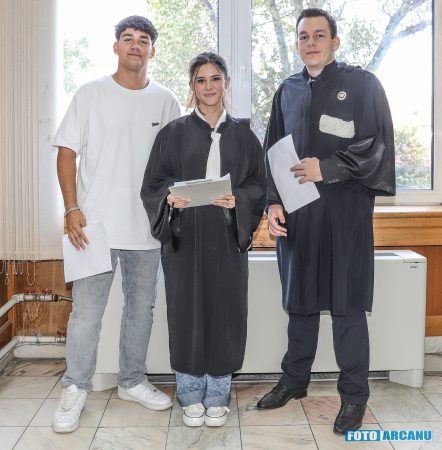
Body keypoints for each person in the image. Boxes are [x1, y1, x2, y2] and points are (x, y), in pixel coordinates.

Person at [256, 8, 395, 434]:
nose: (311, 42)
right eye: (303, 36)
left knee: (346, 306)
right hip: (299, 216)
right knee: (299, 303)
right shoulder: (287, 90)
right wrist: (273, 203)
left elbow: (378, 145)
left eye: (319, 35)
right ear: (297, 43)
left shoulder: (362, 84)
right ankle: (294, 380)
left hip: (345, 215)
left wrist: (328, 168)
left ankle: (353, 396)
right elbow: (274, 151)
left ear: (335, 41)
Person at [53, 16, 181, 433]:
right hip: (94, 226)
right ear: (116, 47)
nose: (135, 45)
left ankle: (132, 381)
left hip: (147, 226)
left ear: (152, 51)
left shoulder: (166, 101)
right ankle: (75, 387)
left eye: (143, 40)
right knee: (86, 313)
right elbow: (67, 152)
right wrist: (71, 208)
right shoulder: (90, 93)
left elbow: (177, 162)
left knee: (141, 310)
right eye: (128, 39)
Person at [141, 52, 266, 427]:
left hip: (226, 238)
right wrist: (169, 198)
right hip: (185, 239)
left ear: (226, 83)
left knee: (225, 313)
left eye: (215, 78)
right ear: (192, 87)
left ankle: (218, 395)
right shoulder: (172, 133)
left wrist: (238, 199)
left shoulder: (244, 136)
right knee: (186, 313)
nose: (208, 86)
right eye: (201, 80)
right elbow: (152, 184)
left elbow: (258, 185)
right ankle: (190, 393)